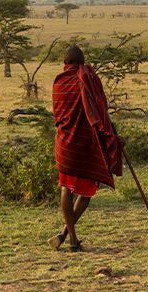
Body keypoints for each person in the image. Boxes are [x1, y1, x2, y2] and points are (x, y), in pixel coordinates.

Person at [48, 45, 122, 252]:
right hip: (83, 144)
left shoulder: (59, 82)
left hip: (63, 143)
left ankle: (66, 235)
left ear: (65, 63)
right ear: (81, 63)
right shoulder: (85, 79)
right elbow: (98, 110)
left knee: (66, 187)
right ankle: (71, 239)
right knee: (87, 192)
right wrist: (111, 135)